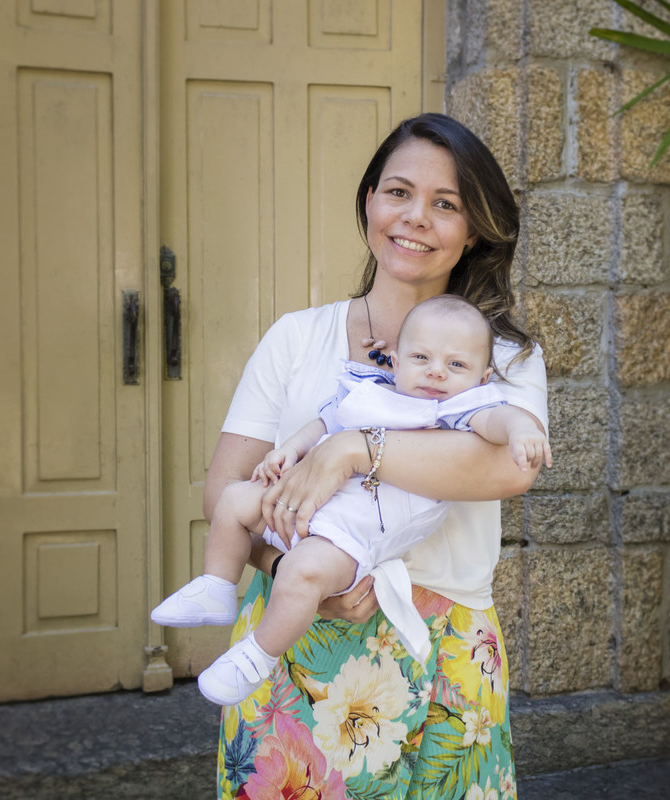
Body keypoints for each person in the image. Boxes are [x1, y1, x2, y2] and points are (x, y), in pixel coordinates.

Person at [202, 113, 547, 799]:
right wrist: (290, 570)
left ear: (473, 229)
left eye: (445, 204)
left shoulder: (503, 357)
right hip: (296, 639)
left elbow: (508, 467)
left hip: (446, 645)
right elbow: (224, 490)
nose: (415, 217)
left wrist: (353, 450)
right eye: (398, 193)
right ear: (369, 203)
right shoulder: (297, 338)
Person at [152, 294, 550, 706]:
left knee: (303, 570)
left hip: (351, 537)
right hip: (298, 509)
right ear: (395, 361)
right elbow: (325, 421)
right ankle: (217, 586)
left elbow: (498, 419)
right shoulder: (369, 390)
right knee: (235, 500)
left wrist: (521, 430)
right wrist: (288, 451)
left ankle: (255, 658)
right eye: (421, 358)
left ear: (483, 379)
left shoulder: (457, 409)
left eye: (457, 365)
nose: (436, 371)